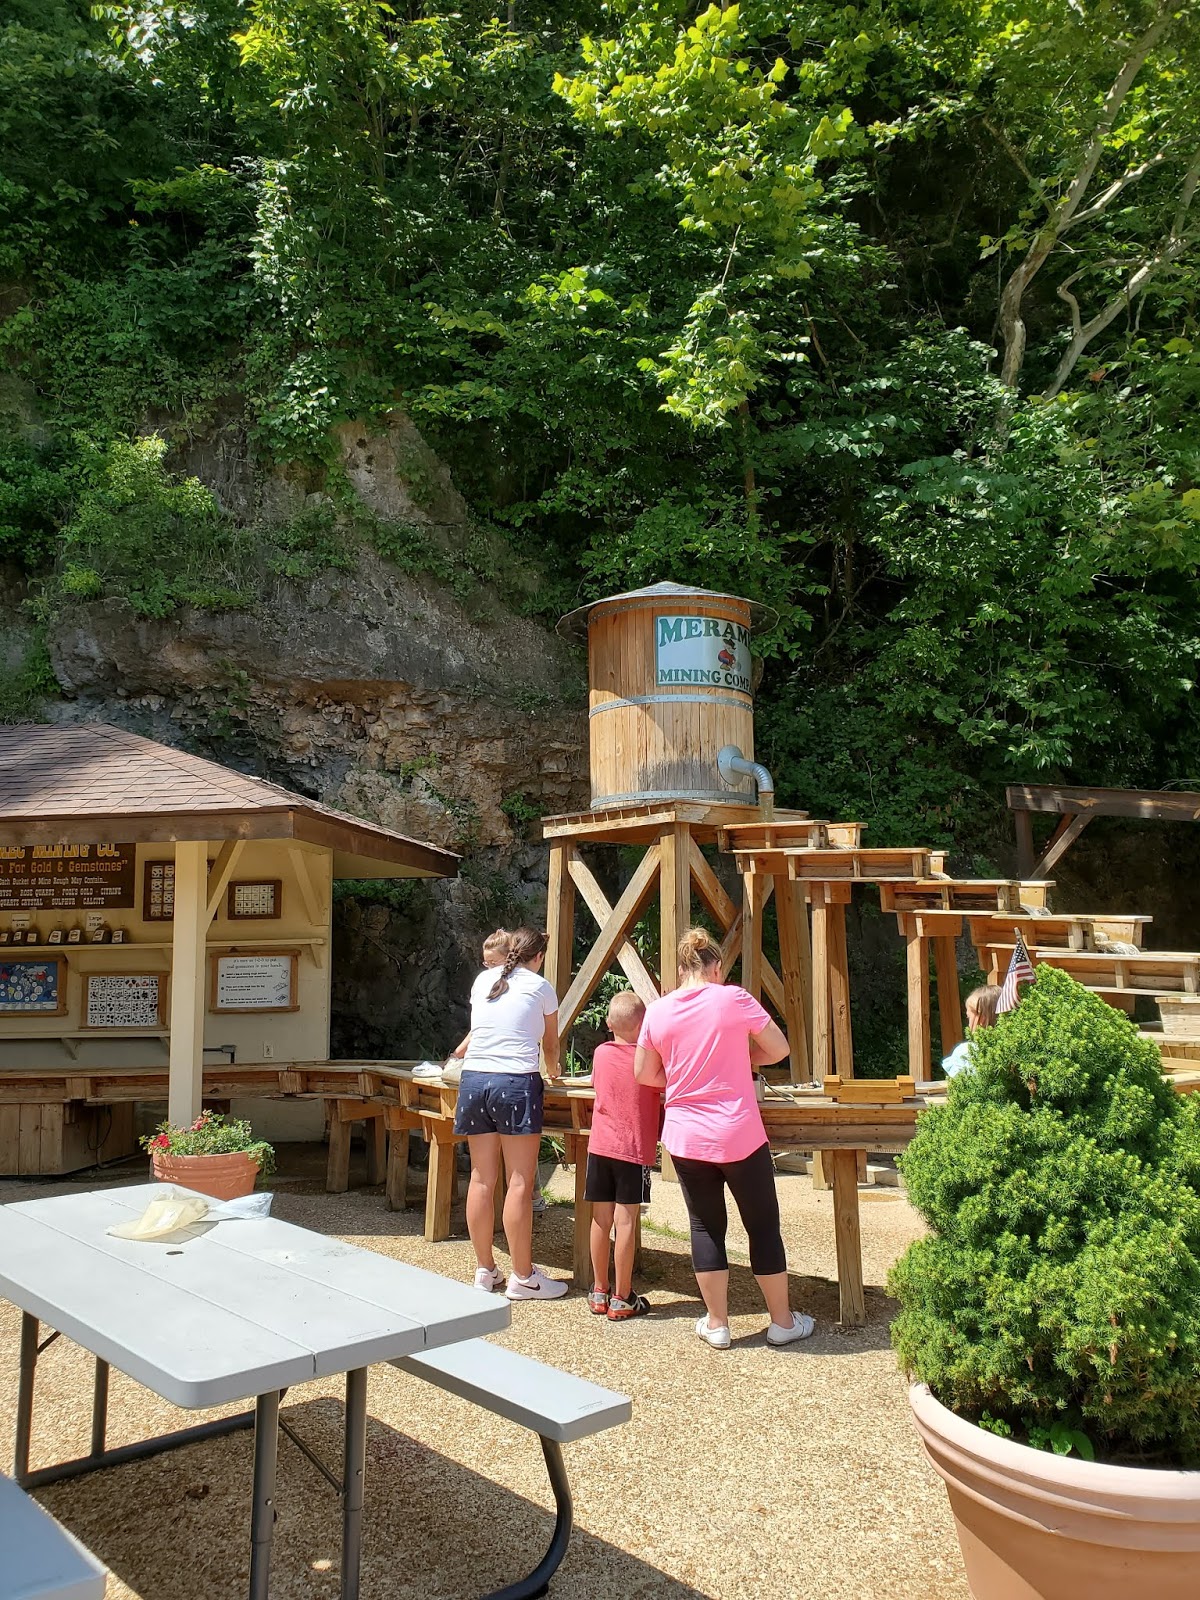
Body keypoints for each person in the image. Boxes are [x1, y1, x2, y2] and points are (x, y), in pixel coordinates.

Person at [635, 928, 814, 1350]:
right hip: (738, 1132)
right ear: (716, 967)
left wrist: (680, 1072)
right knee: (763, 1225)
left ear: (681, 971)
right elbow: (778, 1049)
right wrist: (736, 1057)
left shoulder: (658, 1011)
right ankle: (782, 1322)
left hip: (685, 1135)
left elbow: (644, 1074)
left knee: (705, 1227)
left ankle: (717, 1323)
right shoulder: (733, 998)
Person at [453, 926, 568, 1300]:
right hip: (515, 1082)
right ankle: (524, 1277)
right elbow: (550, 1043)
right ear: (537, 957)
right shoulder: (540, 986)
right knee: (519, 1180)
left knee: (481, 1178)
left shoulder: (482, 981)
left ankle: (486, 1269)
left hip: (474, 1081)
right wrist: (554, 1070)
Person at [586, 990, 662, 1321]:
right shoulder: (647, 1060)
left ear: (608, 1023)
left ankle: (599, 1290)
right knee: (626, 1220)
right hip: (632, 1150)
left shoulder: (600, 1053)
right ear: (643, 1024)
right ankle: (623, 1296)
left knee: (600, 1220)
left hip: (599, 1147)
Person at [941, 984, 1001, 1078]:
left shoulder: (965, 1052)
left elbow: (958, 1086)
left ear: (982, 1019)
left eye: (968, 1017)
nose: (968, 1023)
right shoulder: (1008, 1049)